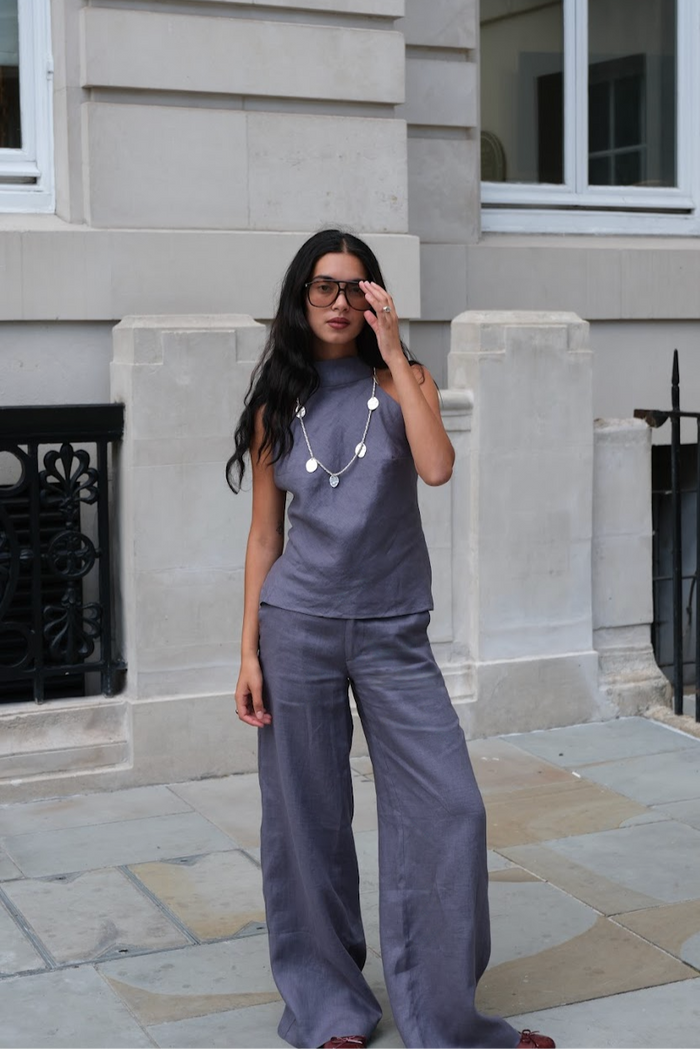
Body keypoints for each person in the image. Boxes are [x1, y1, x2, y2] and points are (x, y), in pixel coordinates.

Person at [227, 229, 555, 1049]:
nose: (339, 303)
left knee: (451, 809)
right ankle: (329, 1008)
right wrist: (247, 651)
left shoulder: (402, 383)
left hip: (392, 634)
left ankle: (444, 1018)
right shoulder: (278, 405)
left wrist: (396, 349)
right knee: (305, 819)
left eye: (355, 288)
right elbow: (265, 539)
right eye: (324, 288)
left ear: (375, 297)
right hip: (295, 625)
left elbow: (439, 467)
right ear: (301, 299)